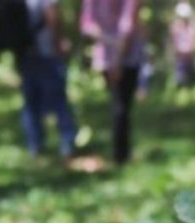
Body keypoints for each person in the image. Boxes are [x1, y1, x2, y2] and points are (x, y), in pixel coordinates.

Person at [81, 0, 145, 165]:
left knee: (120, 105)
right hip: (122, 58)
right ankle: (121, 154)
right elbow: (126, 26)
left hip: (117, 57)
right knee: (121, 106)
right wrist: (115, 56)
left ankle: (121, 152)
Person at [16, 0, 78, 159]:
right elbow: (53, 17)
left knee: (30, 100)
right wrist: (58, 45)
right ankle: (67, 141)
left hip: (23, 52)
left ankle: (34, 144)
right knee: (58, 99)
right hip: (46, 53)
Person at [171, 2, 195, 98]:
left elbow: (194, 40)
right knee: (180, 77)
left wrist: (192, 51)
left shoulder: (192, 26)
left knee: (191, 77)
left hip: (190, 55)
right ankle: (180, 97)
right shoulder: (176, 26)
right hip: (181, 55)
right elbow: (175, 41)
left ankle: (190, 96)